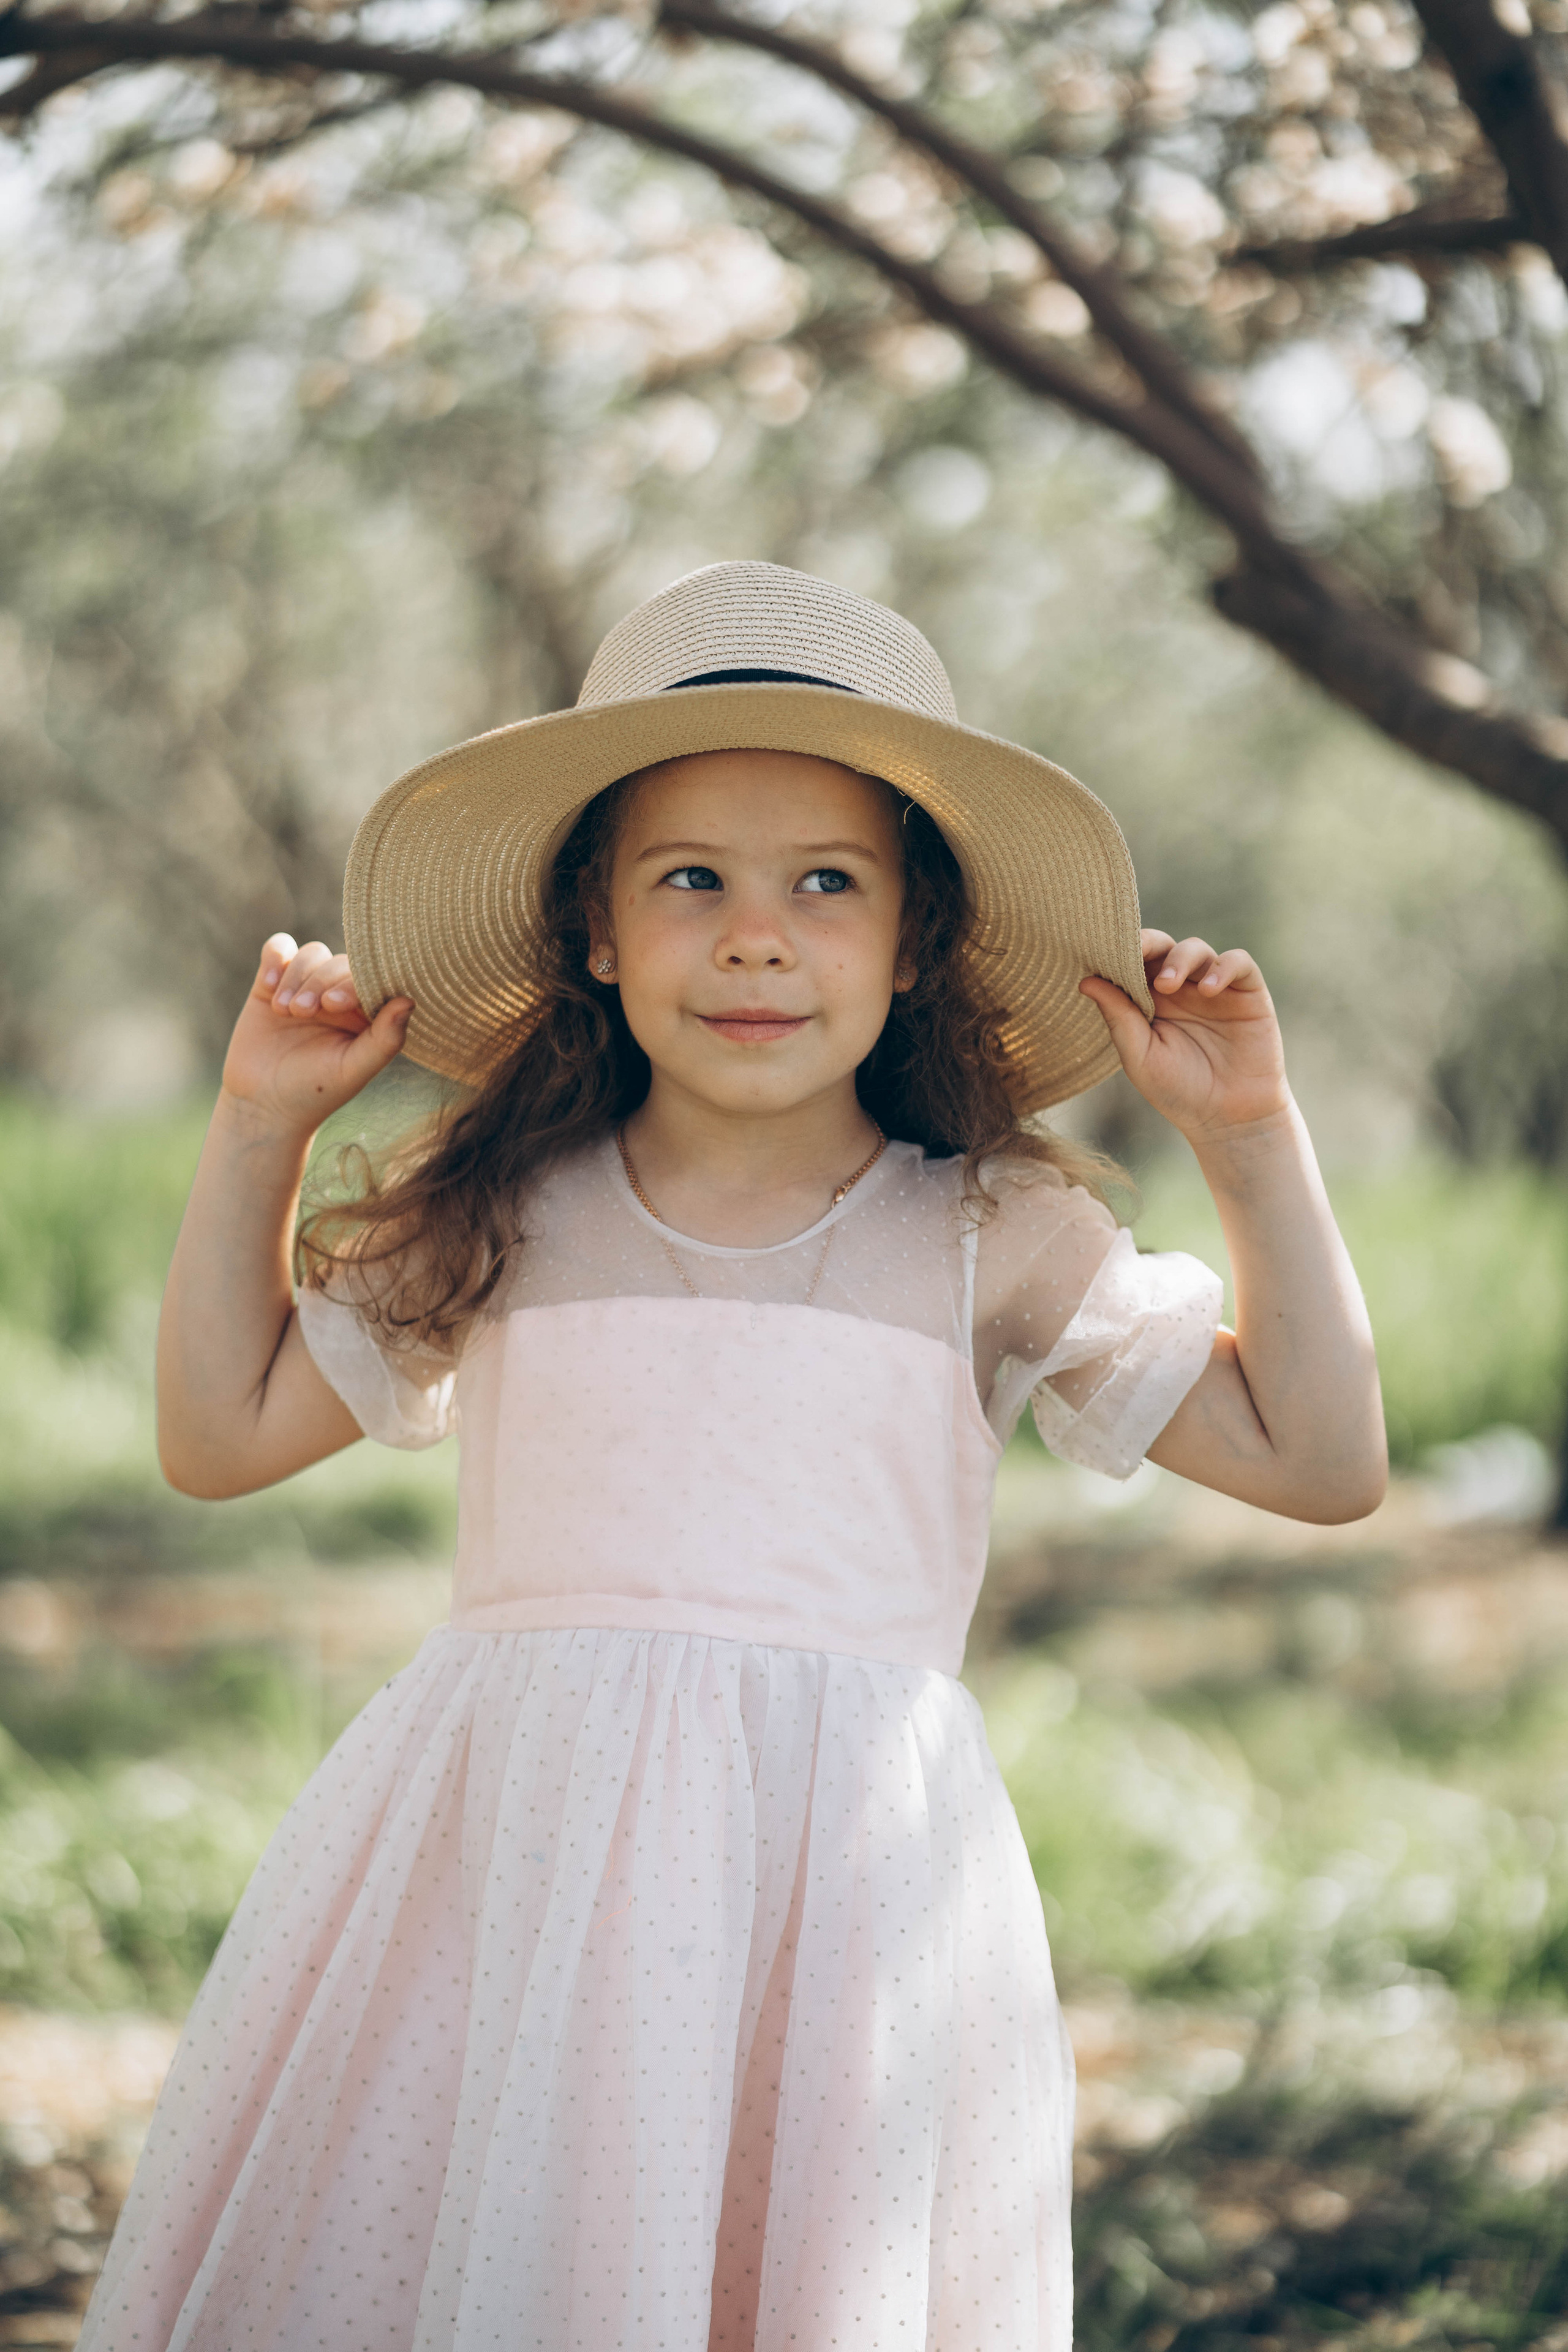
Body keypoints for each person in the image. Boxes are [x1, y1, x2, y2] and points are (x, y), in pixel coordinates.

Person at [80, 561, 1385, 2352]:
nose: (755, 937)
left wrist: (1250, 1138)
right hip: (516, 1890)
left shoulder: (987, 1232)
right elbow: (216, 1438)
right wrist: (255, 1129)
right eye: (689, 879)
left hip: (843, 1912)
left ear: (913, 939)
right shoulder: (510, 1210)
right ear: (597, 933)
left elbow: (1325, 1464)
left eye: (824, 885)